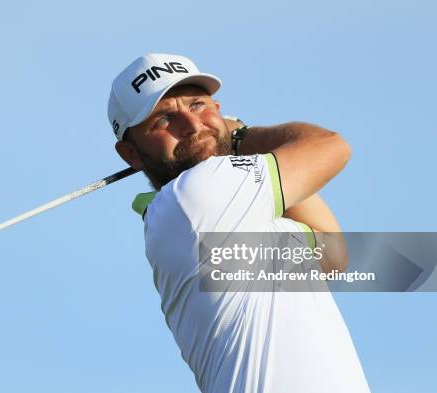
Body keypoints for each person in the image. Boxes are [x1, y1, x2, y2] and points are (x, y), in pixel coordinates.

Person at [108, 53, 370, 393]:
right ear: (130, 155)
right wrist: (240, 135)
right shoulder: (195, 194)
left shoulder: (214, 215)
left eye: (199, 105)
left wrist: (235, 145)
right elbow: (331, 146)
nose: (191, 125)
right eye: (164, 120)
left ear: (217, 107)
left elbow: (332, 253)